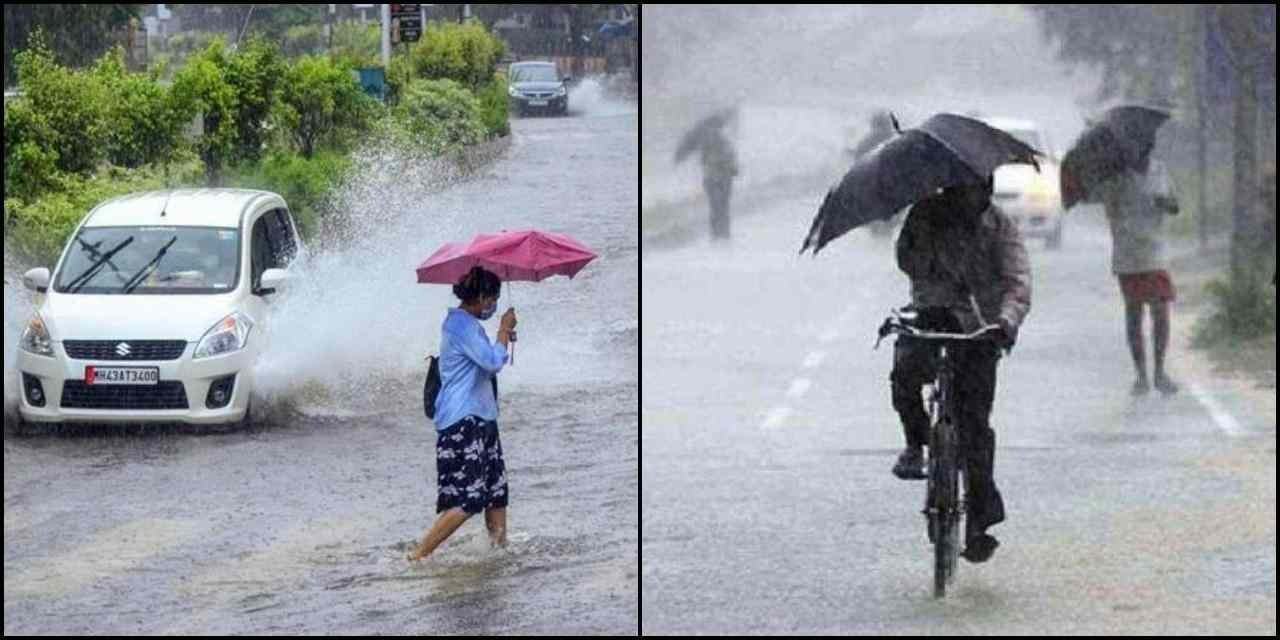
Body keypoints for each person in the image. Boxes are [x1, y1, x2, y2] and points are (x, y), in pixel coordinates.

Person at [890, 175, 1032, 564]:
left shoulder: (1000, 226)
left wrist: (1005, 321)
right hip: (931, 317)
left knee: (976, 428)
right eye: (961, 189)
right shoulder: (925, 213)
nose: (969, 197)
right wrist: (928, 245)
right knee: (904, 375)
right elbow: (906, 260)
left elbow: (1018, 281)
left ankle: (980, 523)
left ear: (986, 190)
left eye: (977, 189)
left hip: (982, 330)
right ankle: (915, 444)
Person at [408, 266, 518, 562]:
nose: (493, 305)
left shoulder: (469, 325)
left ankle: (498, 555)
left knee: (496, 492)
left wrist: (502, 337)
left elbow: (486, 362)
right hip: (462, 422)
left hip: (482, 418)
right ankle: (418, 555)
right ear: (481, 297)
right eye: (492, 299)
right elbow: (492, 362)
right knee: (469, 498)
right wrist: (503, 331)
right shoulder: (460, 326)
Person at [1095, 143, 1180, 396]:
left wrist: (1164, 202)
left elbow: (1175, 206)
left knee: (1161, 312)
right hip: (1128, 254)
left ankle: (1160, 371)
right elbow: (1110, 210)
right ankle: (1141, 374)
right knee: (1134, 313)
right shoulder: (1116, 177)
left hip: (1155, 253)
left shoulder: (1160, 171)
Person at [700, 113, 740, 241]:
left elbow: (705, 162)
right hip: (720, 179)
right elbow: (730, 162)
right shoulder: (722, 143)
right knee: (720, 207)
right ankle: (721, 234)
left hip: (715, 179)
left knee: (717, 207)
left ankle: (718, 234)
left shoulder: (709, 144)